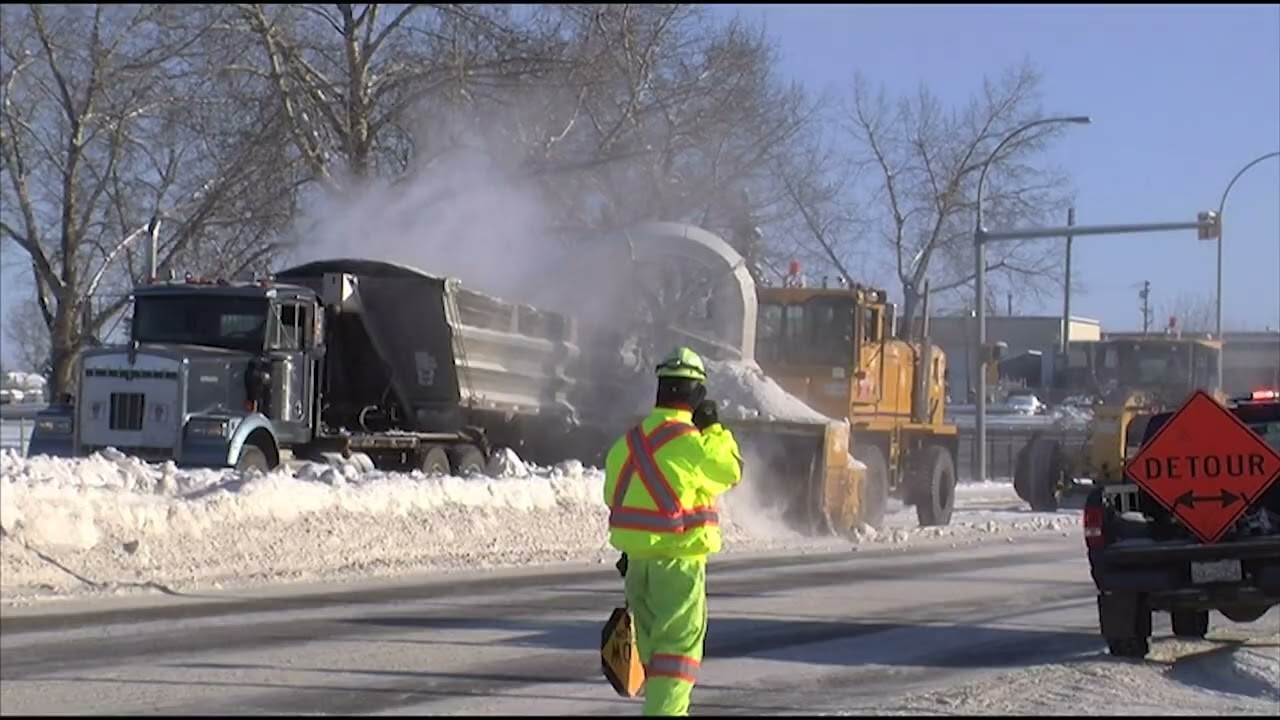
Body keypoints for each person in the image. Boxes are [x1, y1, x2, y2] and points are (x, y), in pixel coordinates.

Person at [603, 346, 744, 716]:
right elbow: (730, 469)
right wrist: (713, 427)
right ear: (697, 394)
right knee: (676, 660)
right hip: (678, 568)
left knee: (649, 654)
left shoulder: (626, 445)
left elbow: (615, 498)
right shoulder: (692, 444)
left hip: (636, 566)